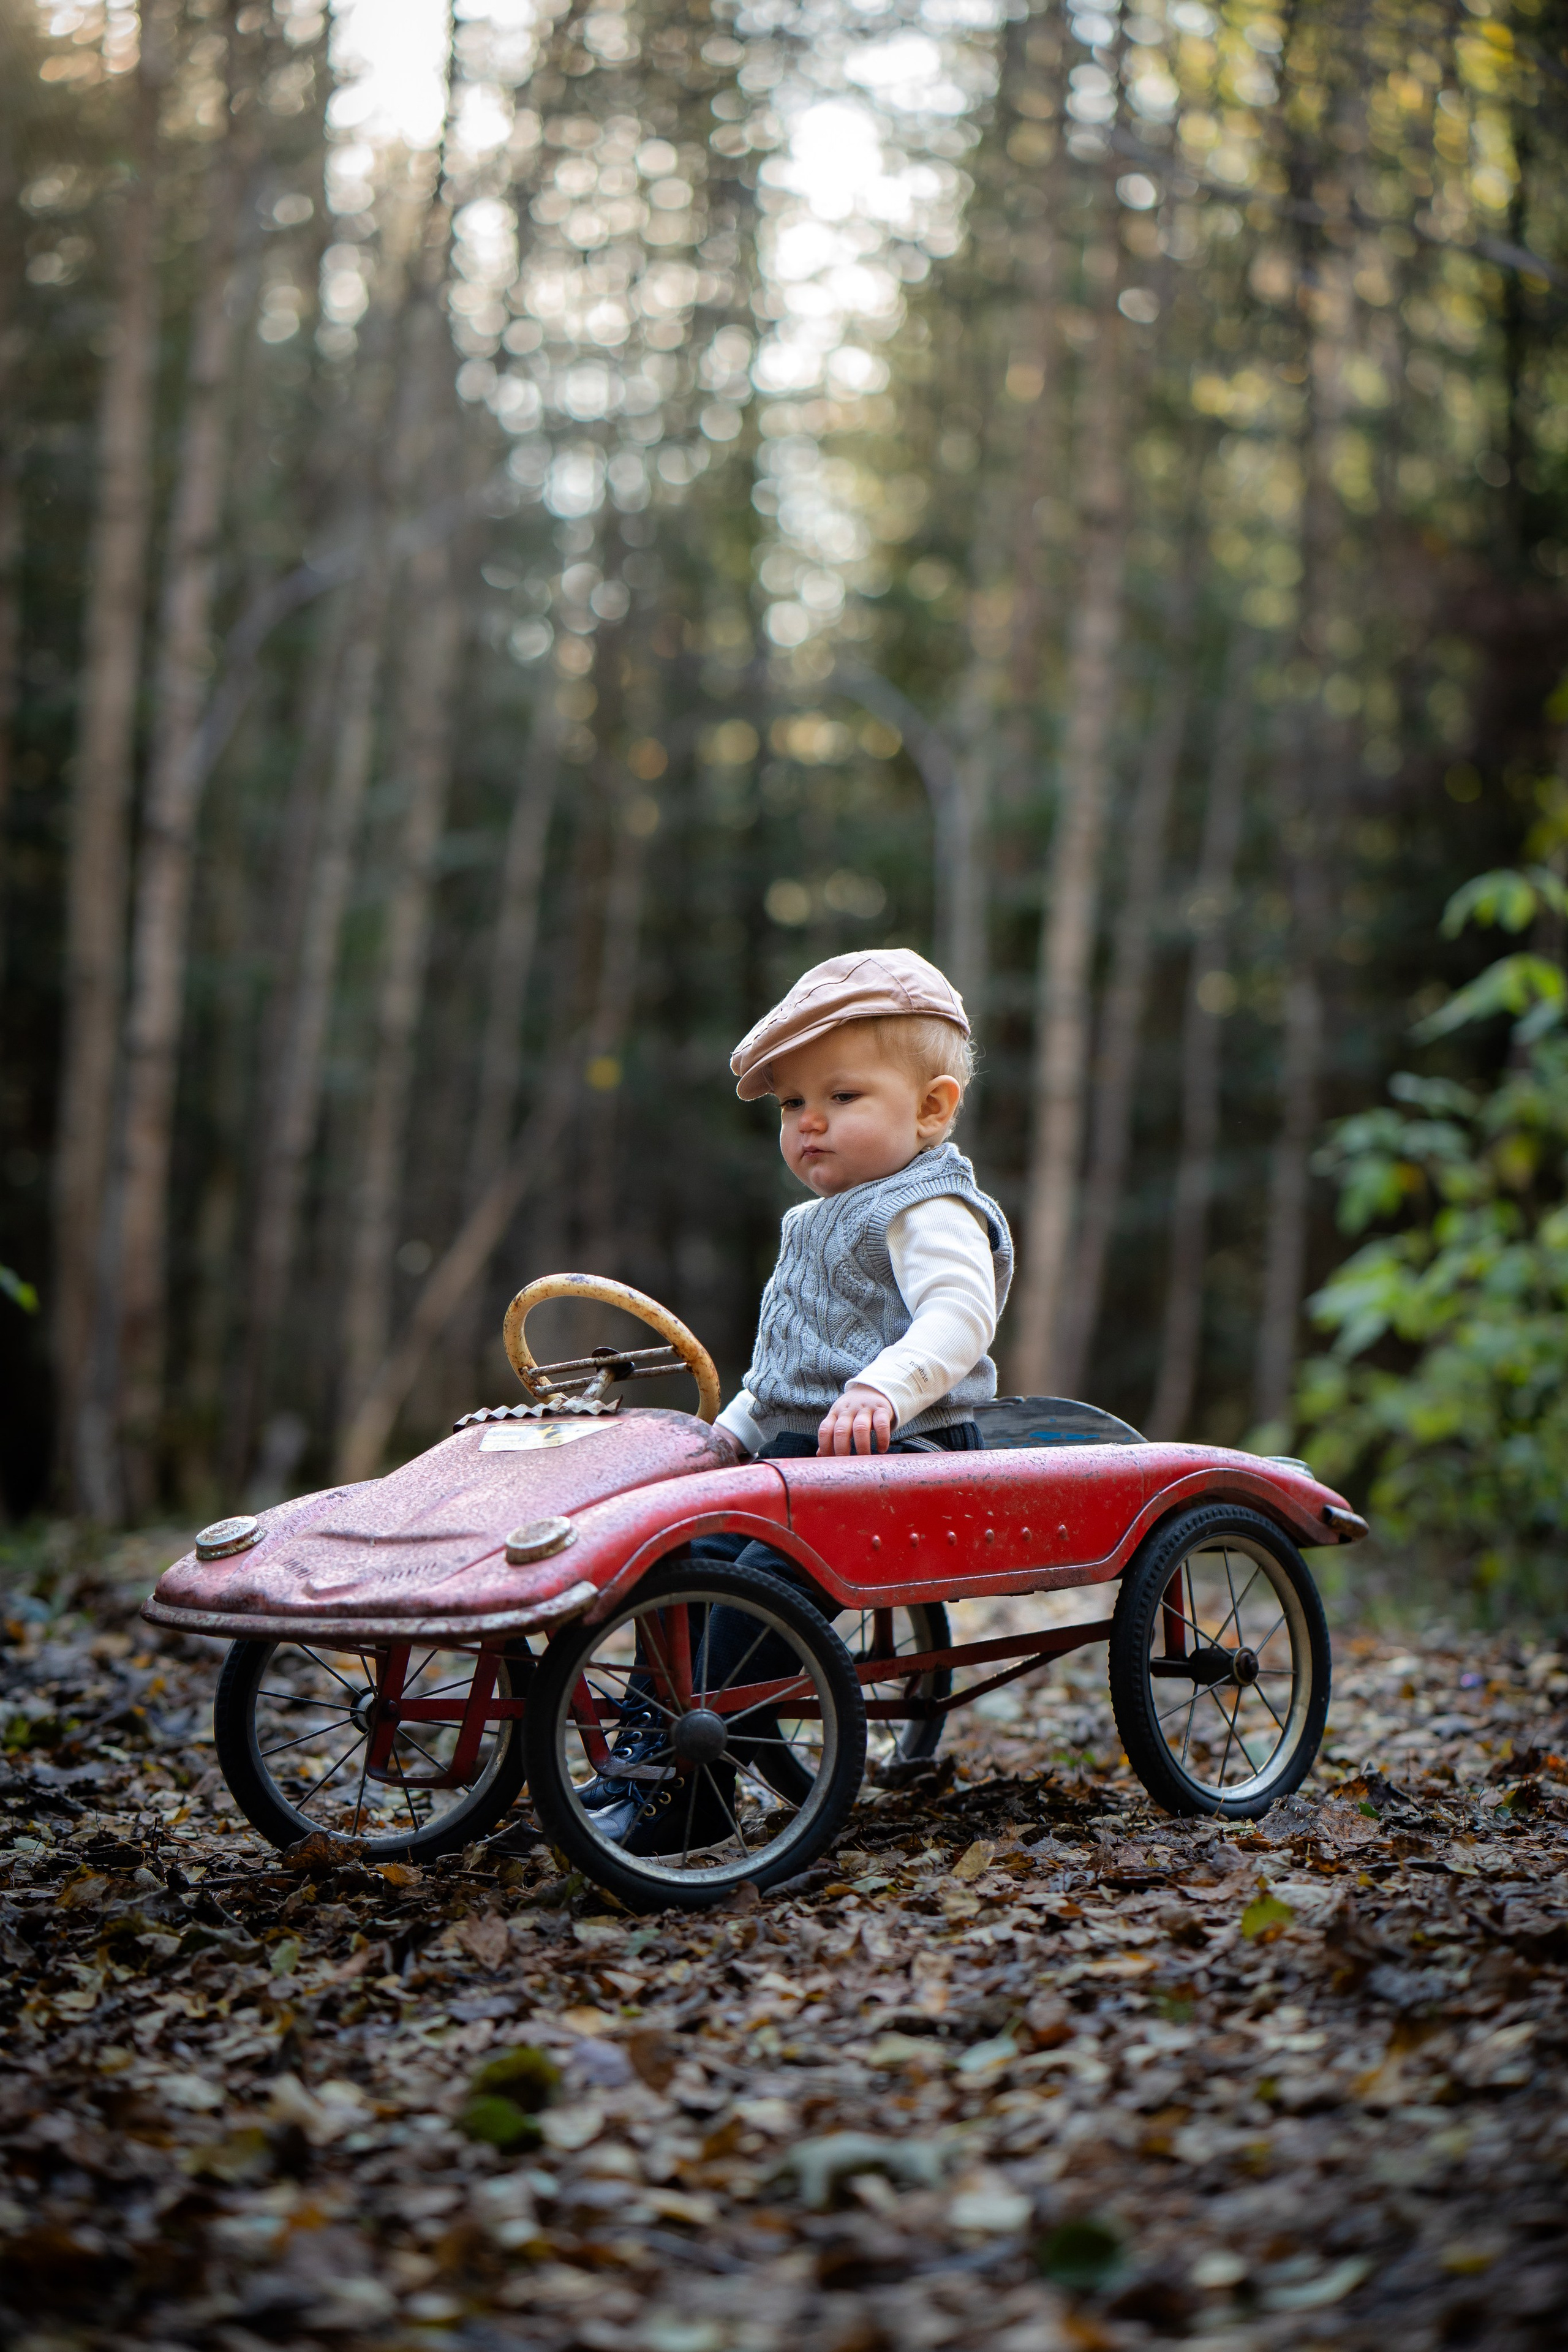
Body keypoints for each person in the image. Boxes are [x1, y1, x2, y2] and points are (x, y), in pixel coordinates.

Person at [582, 948, 1014, 1851]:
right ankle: (648, 1755)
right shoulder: (813, 1221)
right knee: (675, 1564)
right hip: (804, 1464)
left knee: (751, 1594)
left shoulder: (928, 1207)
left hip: (905, 1455)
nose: (809, 1123)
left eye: (842, 1098)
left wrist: (882, 1390)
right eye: (791, 1105)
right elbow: (783, 1369)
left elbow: (960, 1316)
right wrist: (730, 1435)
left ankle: (692, 1791)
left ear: (933, 1108)